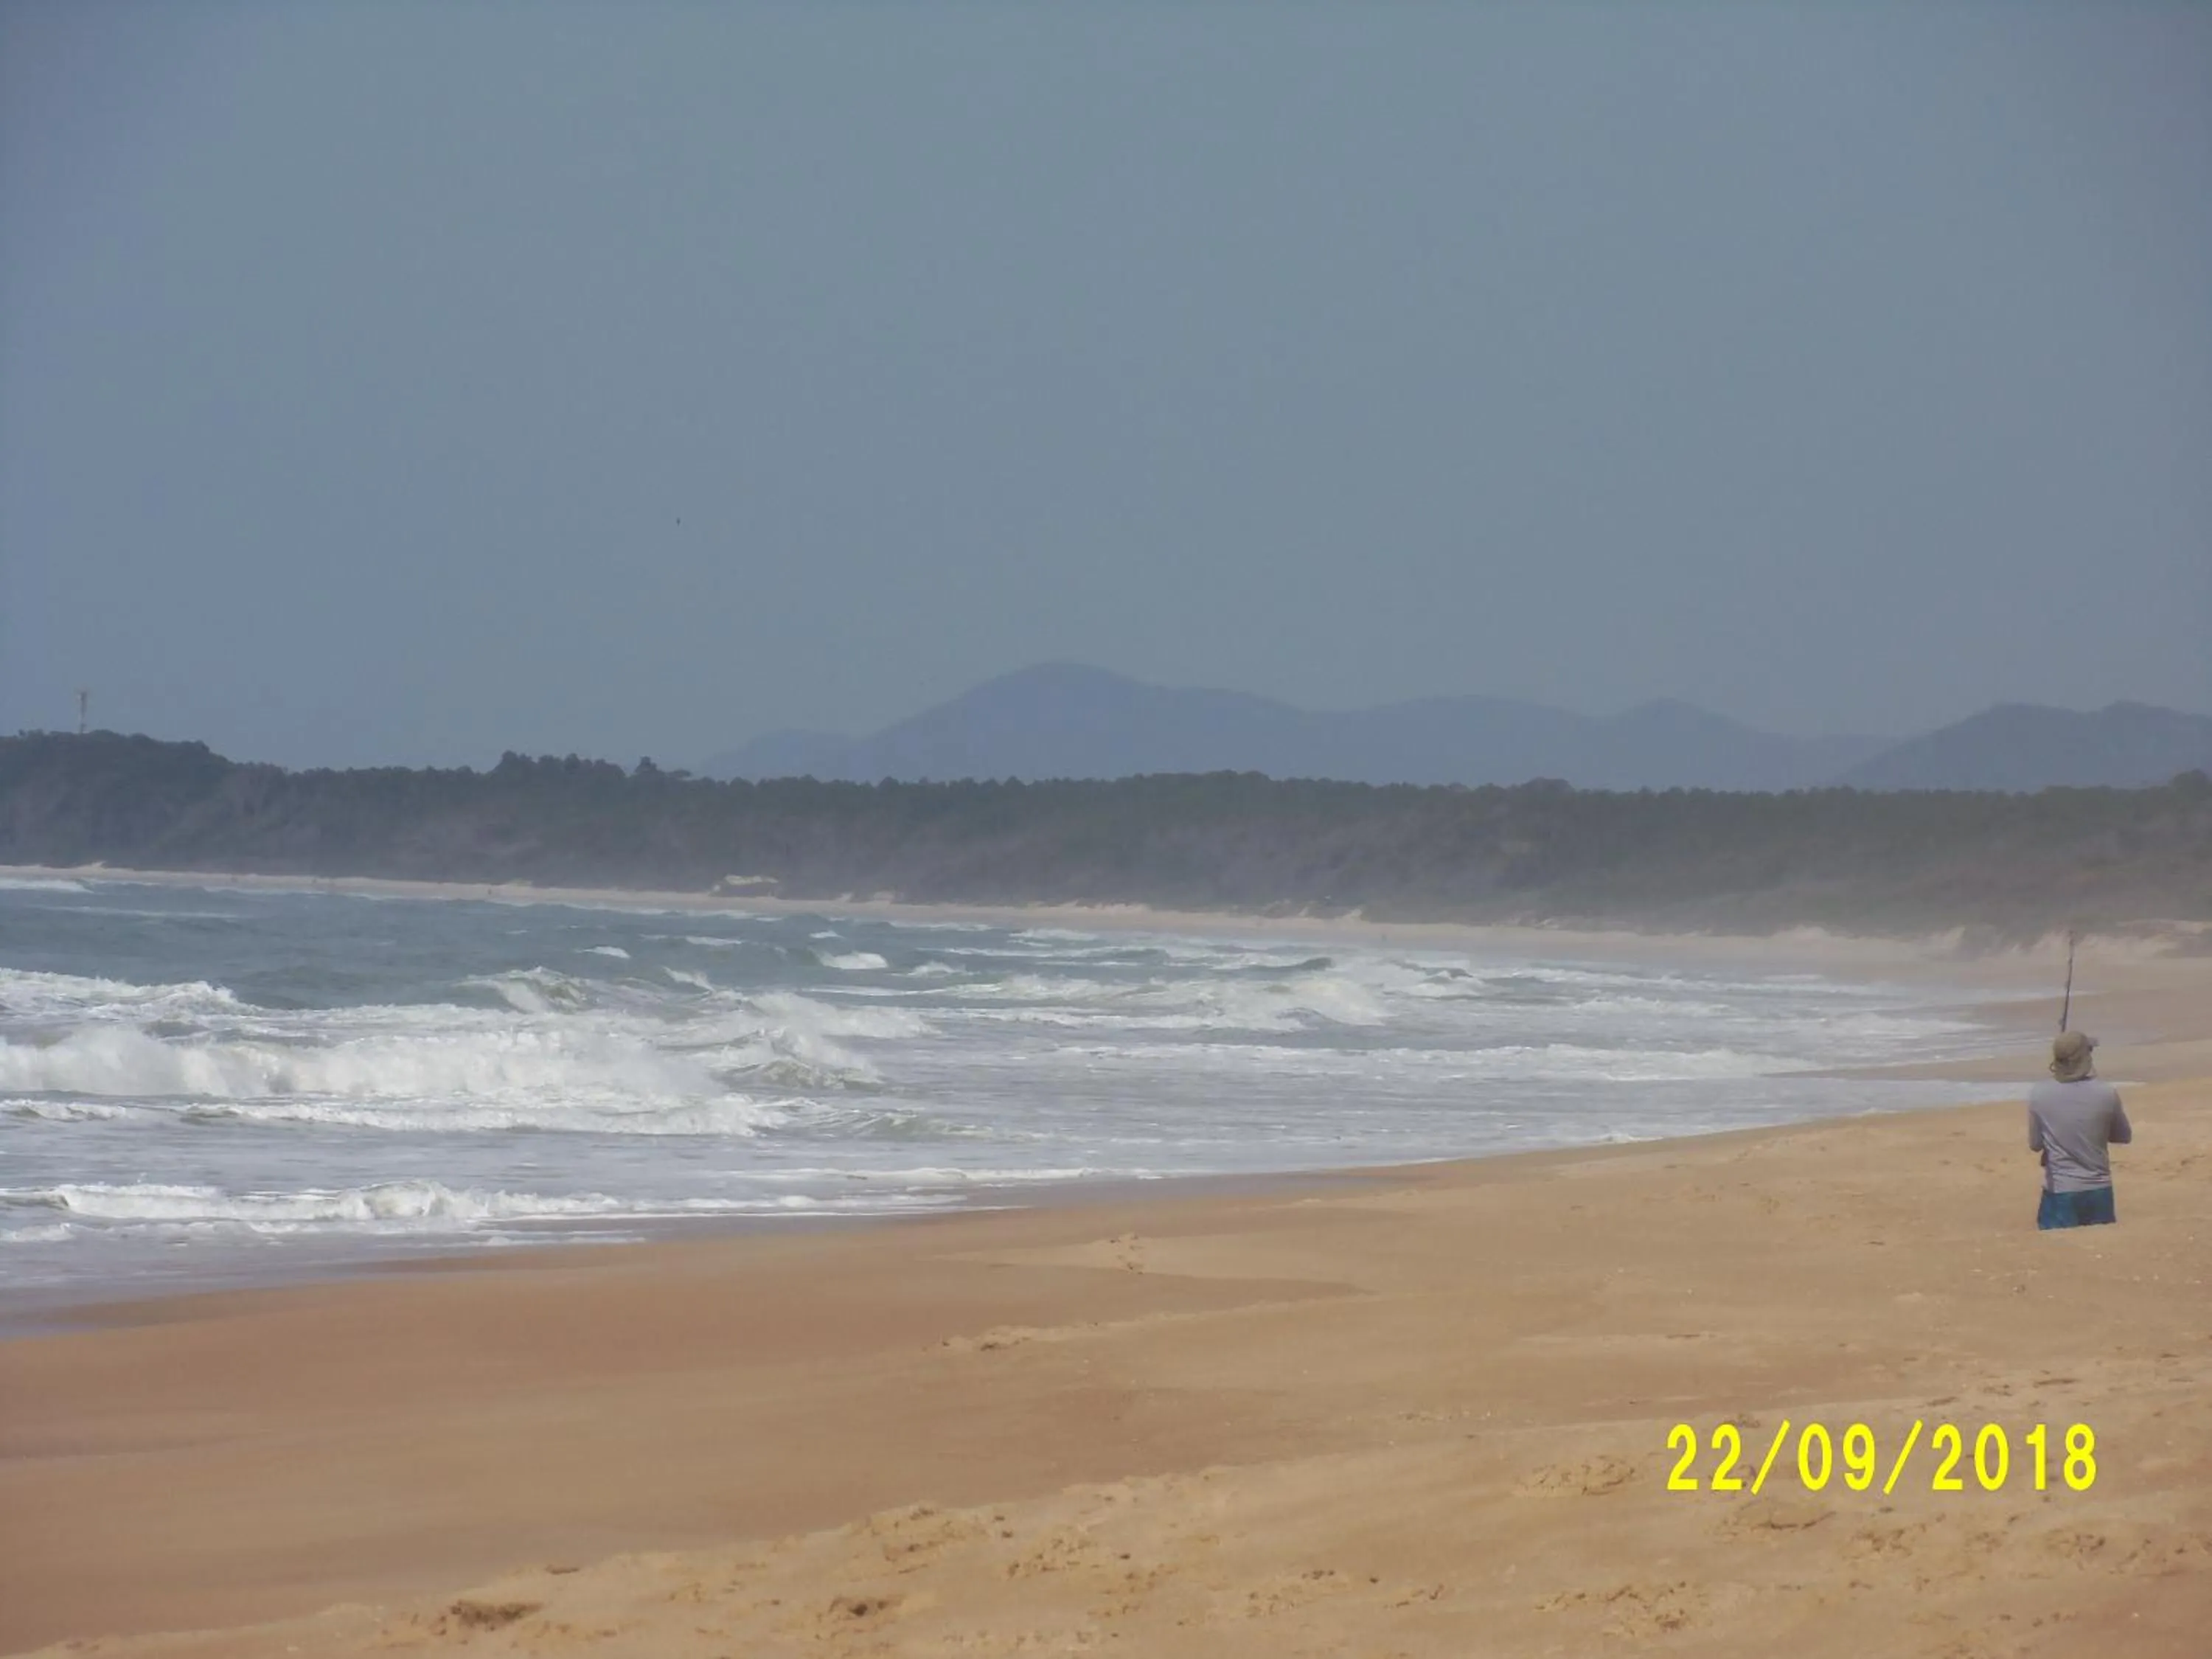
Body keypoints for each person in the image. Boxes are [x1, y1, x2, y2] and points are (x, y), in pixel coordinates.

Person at [2028, 1030, 2131, 1229]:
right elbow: (2123, 1136)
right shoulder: (2106, 1093)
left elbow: (2035, 1144)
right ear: (2085, 1058)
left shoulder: (2039, 1094)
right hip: (2100, 1189)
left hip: (2060, 1190)